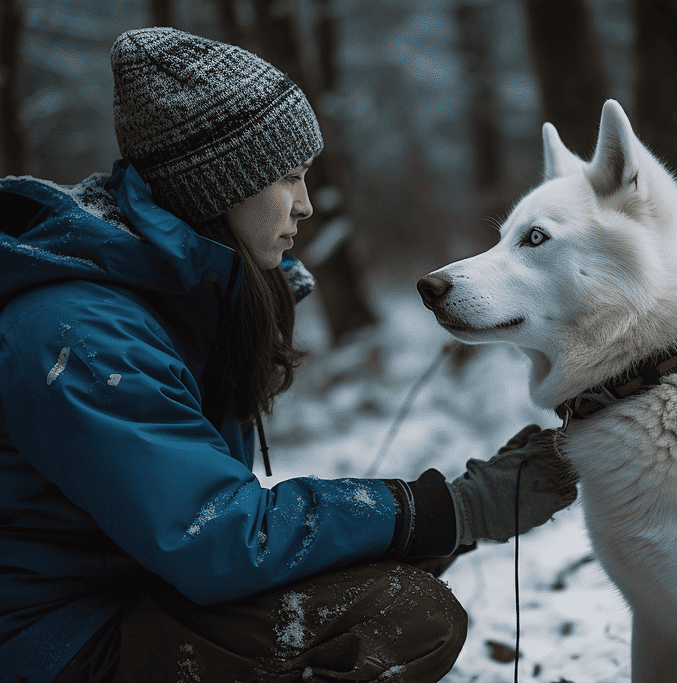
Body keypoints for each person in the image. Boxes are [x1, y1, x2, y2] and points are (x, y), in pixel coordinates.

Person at [0, 27, 576, 683]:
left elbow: (213, 530)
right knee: (401, 614)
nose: (302, 205)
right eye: (287, 179)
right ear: (216, 187)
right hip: (50, 643)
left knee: (379, 582)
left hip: (124, 600)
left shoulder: (168, 303)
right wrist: (452, 506)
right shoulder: (79, 330)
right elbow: (215, 538)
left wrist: (450, 521)